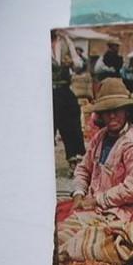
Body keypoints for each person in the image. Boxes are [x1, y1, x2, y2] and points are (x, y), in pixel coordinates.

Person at [60, 77, 133, 227]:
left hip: (127, 209)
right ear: (101, 115)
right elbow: (83, 168)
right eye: (106, 111)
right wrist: (78, 195)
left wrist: (96, 201)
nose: (112, 116)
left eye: (117, 110)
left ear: (127, 112)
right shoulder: (99, 137)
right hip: (97, 202)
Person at [51, 29, 86, 175]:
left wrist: (72, 62)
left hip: (64, 88)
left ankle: (75, 159)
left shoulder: (65, 41)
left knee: (72, 123)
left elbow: (79, 63)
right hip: (44, 91)